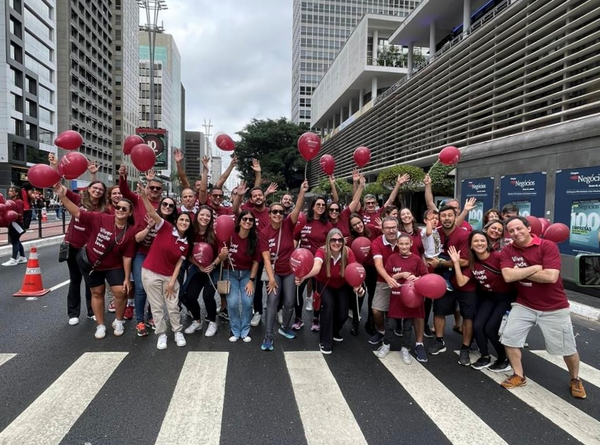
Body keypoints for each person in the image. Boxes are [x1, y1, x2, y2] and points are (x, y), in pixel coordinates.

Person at [499, 216, 586, 399]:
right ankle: (518, 375)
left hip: (554, 306)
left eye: (519, 228)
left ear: (528, 228)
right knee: (509, 338)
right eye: (511, 231)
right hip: (525, 304)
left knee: (567, 348)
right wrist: (535, 268)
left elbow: (551, 277)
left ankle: (575, 378)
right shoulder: (508, 250)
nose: (515, 233)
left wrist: (519, 272)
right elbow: (507, 276)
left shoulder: (547, 246)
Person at [56, 184, 136, 339]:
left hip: (114, 265)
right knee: (97, 292)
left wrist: (127, 278)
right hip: (92, 263)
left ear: (130, 212)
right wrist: (62, 195)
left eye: (124, 209)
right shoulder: (101, 218)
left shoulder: (130, 231)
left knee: (121, 291)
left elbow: (127, 255)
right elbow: (77, 212)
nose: (120, 210)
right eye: (118, 207)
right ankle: (100, 325)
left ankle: (119, 321)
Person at [448, 230, 515, 372]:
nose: (479, 243)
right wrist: (456, 263)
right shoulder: (473, 264)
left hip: (505, 298)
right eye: (476, 241)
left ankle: (504, 358)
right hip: (489, 298)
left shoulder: (498, 257)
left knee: (490, 328)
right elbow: (461, 282)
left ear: (488, 243)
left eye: (482, 240)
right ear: (471, 246)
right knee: (477, 326)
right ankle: (485, 356)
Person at [139, 189, 193, 350]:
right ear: (176, 221)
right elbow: (151, 212)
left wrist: (172, 281)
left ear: (190, 225)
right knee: (156, 306)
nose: (184, 222)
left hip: (169, 275)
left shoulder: (186, 243)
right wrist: (143, 196)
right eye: (181, 219)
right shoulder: (166, 227)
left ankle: (177, 331)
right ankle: (161, 334)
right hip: (151, 272)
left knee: (173, 306)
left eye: (187, 221)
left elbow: (179, 264)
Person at [296, 228, 364, 354]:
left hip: (341, 284)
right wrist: (304, 276)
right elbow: (316, 267)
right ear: (328, 241)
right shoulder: (322, 251)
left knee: (343, 313)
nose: (337, 243)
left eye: (340, 240)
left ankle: (333, 331)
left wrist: (357, 287)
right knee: (328, 307)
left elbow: (354, 270)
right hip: (324, 282)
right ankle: (325, 341)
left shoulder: (348, 252)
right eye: (333, 240)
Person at [259, 180, 308, 351]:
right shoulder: (264, 233)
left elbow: (297, 209)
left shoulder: (288, 224)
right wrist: (271, 280)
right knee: (272, 300)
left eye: (280, 212)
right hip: (274, 271)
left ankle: (285, 327)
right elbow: (265, 258)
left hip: (289, 271)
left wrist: (301, 191)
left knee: (289, 302)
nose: (278, 214)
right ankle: (268, 335)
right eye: (275, 212)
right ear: (269, 214)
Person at [426, 205, 477, 366]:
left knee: (468, 316)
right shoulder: (436, 233)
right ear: (439, 218)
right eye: (443, 216)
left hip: (464, 281)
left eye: (450, 215)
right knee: (439, 311)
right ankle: (439, 341)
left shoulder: (464, 235)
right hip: (442, 282)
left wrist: (440, 263)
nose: (446, 218)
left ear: (456, 217)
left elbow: (465, 261)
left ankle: (465, 348)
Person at [60, 181, 108, 326]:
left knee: (90, 282)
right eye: (95, 188)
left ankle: (92, 311)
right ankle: (73, 313)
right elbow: (59, 187)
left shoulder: (104, 208)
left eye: (100, 189)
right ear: (88, 189)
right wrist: (54, 165)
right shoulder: (77, 200)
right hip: (73, 247)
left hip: (90, 250)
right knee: (75, 280)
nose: (97, 191)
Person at [375, 233, 428, 363]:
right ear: (397, 244)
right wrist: (401, 274)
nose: (404, 246)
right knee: (391, 323)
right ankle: (386, 345)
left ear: (411, 244)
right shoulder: (392, 258)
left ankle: (405, 349)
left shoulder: (416, 259)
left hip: (411, 299)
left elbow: (425, 276)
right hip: (396, 297)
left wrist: (417, 279)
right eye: (401, 244)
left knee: (408, 325)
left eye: (406, 244)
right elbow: (388, 276)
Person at [133, 196, 179, 336]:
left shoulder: (174, 225)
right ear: (160, 205)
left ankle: (152, 316)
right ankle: (140, 321)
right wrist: (149, 226)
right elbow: (137, 238)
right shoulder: (149, 217)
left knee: (156, 290)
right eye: (164, 204)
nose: (167, 207)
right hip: (143, 254)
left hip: (160, 259)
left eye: (171, 205)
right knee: (141, 287)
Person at [181, 205, 224, 337]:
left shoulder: (215, 233)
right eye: (202, 215)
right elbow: (186, 253)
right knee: (188, 296)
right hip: (197, 268)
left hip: (213, 269)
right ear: (197, 216)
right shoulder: (191, 232)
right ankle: (197, 321)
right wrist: (198, 265)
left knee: (208, 296)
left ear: (211, 219)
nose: (204, 218)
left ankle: (212, 322)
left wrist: (213, 264)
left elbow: (221, 254)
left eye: (208, 216)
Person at [294, 195, 333, 331]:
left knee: (318, 292)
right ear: (312, 206)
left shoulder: (327, 224)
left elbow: (331, 243)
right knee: (297, 291)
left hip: (319, 263)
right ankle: (298, 318)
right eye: (318, 204)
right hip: (303, 263)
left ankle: (316, 319)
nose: (321, 207)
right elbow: (295, 238)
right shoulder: (303, 221)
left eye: (323, 205)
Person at [222, 210, 260, 342]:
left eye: (250, 220)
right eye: (245, 219)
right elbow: (220, 256)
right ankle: (234, 329)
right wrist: (222, 254)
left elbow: (256, 262)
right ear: (239, 221)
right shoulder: (230, 235)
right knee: (232, 303)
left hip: (246, 274)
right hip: (230, 273)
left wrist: (251, 280)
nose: (247, 222)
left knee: (247, 302)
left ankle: (245, 330)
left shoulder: (255, 238)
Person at [369, 216, 401, 345]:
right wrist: (388, 279)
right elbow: (378, 265)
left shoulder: (405, 239)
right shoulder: (376, 243)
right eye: (388, 228)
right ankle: (381, 331)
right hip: (384, 279)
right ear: (382, 229)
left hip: (404, 280)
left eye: (393, 227)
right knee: (376, 310)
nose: (391, 230)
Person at [348, 212, 380, 335]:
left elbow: (383, 239)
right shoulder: (351, 239)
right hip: (359, 268)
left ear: (363, 221)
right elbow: (351, 256)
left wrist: (382, 227)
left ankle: (370, 323)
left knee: (372, 296)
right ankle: (355, 322)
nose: (357, 226)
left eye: (359, 223)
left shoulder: (372, 229)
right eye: (354, 225)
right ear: (351, 227)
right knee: (358, 295)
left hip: (373, 267)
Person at [2, 186, 27, 266]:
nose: (9, 192)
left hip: (16, 223)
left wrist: (12, 215)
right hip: (13, 223)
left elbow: (19, 214)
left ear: (16, 193)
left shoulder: (18, 202)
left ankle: (13, 259)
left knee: (14, 240)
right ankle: (23, 257)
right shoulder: (12, 201)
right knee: (16, 241)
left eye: (11, 191)